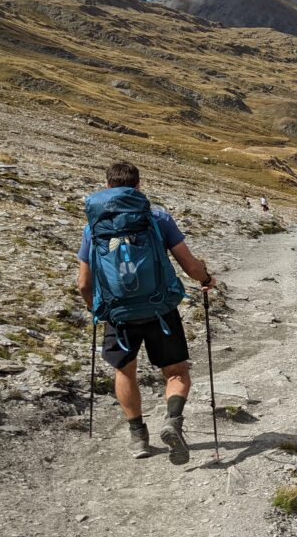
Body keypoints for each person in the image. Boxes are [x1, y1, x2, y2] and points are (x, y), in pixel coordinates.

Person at [76, 161, 216, 464]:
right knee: (176, 371)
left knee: (125, 370)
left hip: (117, 312)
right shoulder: (157, 218)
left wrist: (96, 309)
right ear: (138, 186)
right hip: (160, 308)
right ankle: (172, 422)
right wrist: (206, 279)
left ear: (108, 186)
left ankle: (138, 436)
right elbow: (190, 266)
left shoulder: (93, 227)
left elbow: (83, 283)